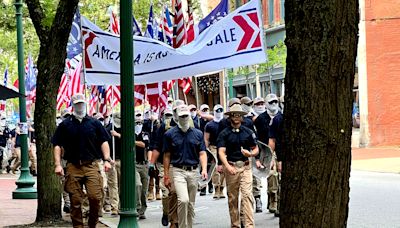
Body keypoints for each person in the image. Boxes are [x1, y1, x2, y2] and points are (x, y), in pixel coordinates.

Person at [52, 93, 112, 228]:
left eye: (82, 103)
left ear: (86, 104)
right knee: (75, 200)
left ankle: (92, 224)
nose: (80, 106)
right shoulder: (65, 125)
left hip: (91, 165)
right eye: (77, 104)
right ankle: (78, 226)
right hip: (73, 166)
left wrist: (107, 159)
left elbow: (104, 141)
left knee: (95, 197)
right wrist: (57, 164)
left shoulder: (95, 123)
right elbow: (57, 144)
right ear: (73, 105)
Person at [163, 104, 208, 228]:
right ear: (176, 117)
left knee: (191, 204)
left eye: (186, 116)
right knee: (183, 200)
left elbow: (202, 153)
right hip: (178, 170)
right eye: (181, 116)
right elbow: (166, 156)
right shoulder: (169, 134)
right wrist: (166, 175)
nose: (184, 118)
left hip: (193, 171)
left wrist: (204, 169)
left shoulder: (198, 134)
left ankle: (189, 226)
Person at [217, 104, 259, 228]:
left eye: (239, 115)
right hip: (231, 167)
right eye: (233, 114)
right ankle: (235, 225)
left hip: (245, 166)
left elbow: (256, 148)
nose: (236, 117)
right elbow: (221, 151)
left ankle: (249, 225)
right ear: (230, 117)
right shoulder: (224, 133)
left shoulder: (248, 132)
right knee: (233, 198)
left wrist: (251, 154)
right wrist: (226, 166)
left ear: (242, 117)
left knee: (247, 196)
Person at [265, 93, 284, 217]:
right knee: (277, 178)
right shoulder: (277, 120)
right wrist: (271, 158)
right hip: (279, 154)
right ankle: (277, 205)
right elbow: (272, 141)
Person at [204, 104, 226, 199]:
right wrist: (206, 150)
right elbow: (206, 139)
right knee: (216, 168)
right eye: (218, 110)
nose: (219, 112)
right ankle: (216, 187)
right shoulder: (210, 125)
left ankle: (221, 188)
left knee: (224, 168)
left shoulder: (226, 123)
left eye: (221, 110)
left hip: (224, 147)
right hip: (213, 147)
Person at [134, 110, 150, 219]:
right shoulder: (129, 132)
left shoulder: (145, 133)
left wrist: (150, 162)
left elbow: (145, 145)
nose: (138, 125)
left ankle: (142, 210)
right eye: (136, 123)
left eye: (140, 123)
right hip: (134, 164)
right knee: (137, 185)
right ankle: (137, 207)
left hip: (144, 164)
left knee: (144, 190)